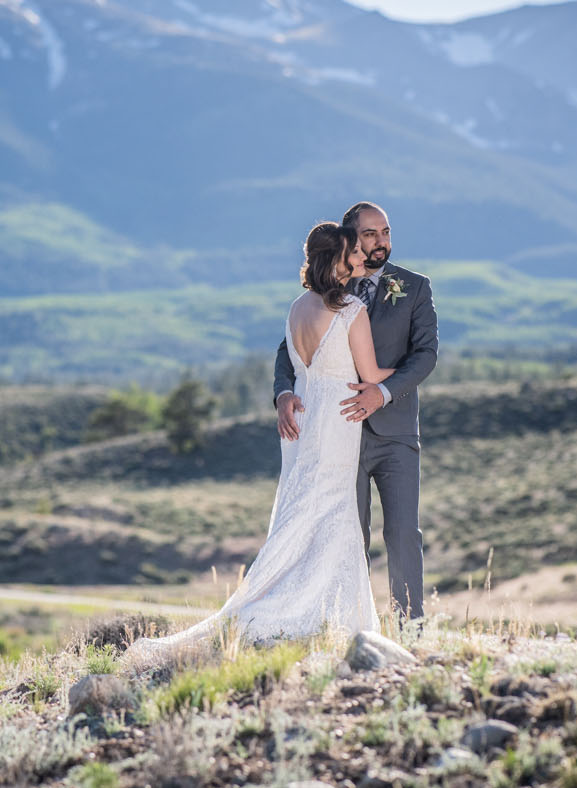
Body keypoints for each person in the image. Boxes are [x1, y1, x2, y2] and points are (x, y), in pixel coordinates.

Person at [126, 223, 384, 665]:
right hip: (336, 421)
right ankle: (314, 615)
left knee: (304, 512)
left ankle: (318, 611)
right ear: (335, 261)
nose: (358, 258)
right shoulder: (351, 310)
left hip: (304, 420)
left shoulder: (296, 309)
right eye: (351, 253)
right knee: (331, 514)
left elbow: (297, 363)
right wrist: (413, 368)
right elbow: (372, 376)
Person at [274, 202, 438, 621]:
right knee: (348, 534)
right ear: (350, 240)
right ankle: (343, 622)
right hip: (339, 434)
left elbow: (426, 355)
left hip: (396, 430)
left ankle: (410, 626)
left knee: (403, 534)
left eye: (385, 232)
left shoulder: (414, 286)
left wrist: (382, 392)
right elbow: (286, 351)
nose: (380, 242)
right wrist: (282, 393)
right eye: (370, 235)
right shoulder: (332, 289)